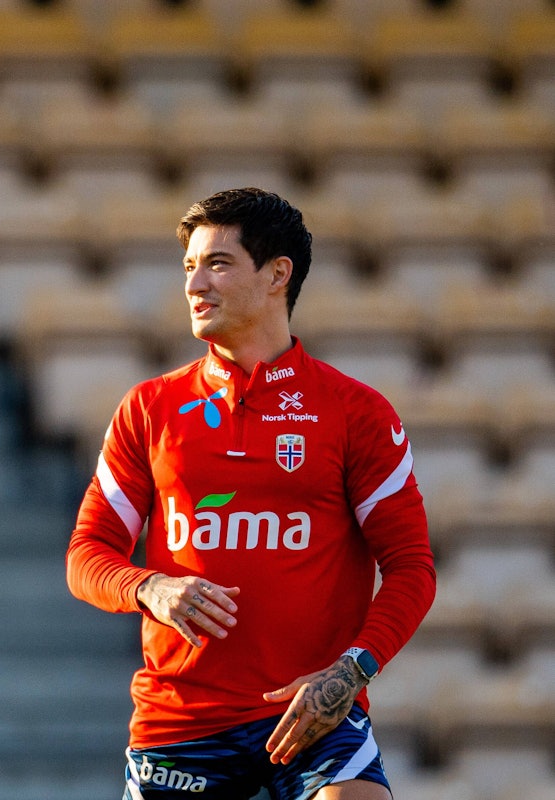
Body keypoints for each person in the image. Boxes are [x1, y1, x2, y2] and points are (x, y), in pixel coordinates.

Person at [66, 188, 435, 800]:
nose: (194, 285)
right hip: (180, 725)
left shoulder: (356, 412)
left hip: (313, 714)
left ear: (277, 275)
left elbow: (412, 568)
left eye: (217, 263)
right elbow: (86, 555)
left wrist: (350, 673)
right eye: (189, 266)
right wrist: (150, 586)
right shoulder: (150, 409)